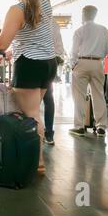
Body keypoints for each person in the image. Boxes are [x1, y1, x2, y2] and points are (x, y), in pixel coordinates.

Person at [0, 0, 57, 175]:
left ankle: (38, 161)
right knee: (36, 111)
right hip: (48, 64)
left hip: (29, 65)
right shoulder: (44, 2)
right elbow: (33, 35)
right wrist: (14, 50)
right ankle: (36, 157)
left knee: (32, 113)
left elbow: (2, 41)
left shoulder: (16, 9)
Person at [69, 6, 108, 137]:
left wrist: (73, 65)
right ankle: (101, 127)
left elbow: (74, 52)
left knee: (79, 96)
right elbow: (107, 50)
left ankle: (79, 126)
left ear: (83, 14)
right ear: (95, 14)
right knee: (99, 94)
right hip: (98, 63)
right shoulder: (103, 30)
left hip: (82, 62)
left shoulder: (79, 31)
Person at [43, 14, 65, 145]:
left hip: (33, 63)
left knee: (31, 102)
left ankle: (29, 132)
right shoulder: (54, 24)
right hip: (49, 63)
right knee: (48, 99)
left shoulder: (32, 18)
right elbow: (59, 47)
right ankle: (49, 134)